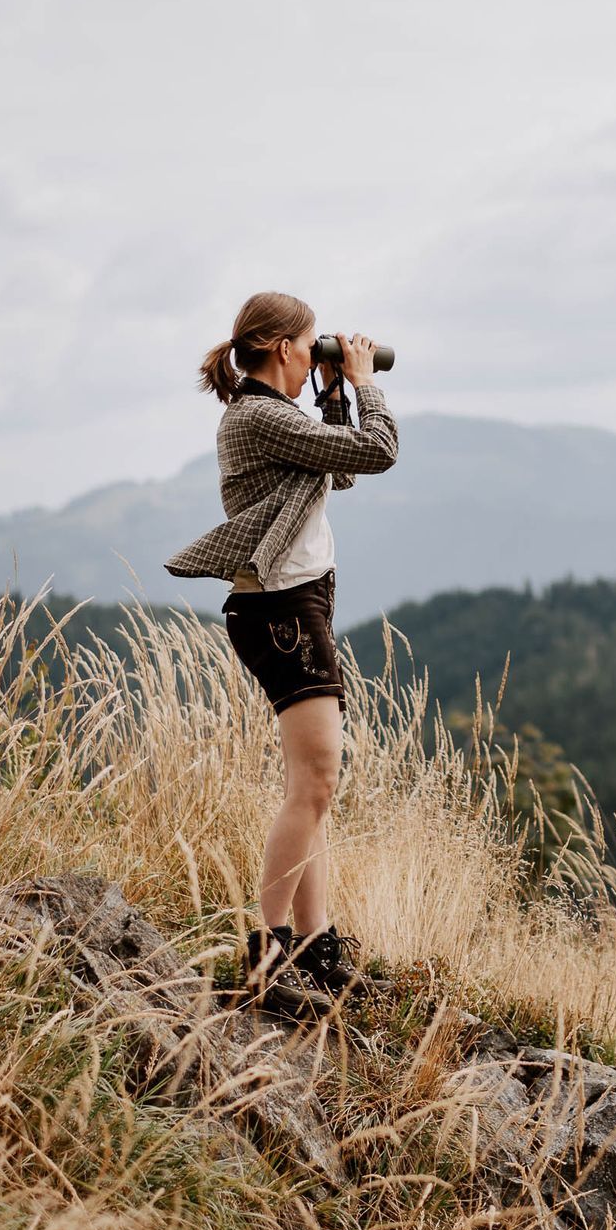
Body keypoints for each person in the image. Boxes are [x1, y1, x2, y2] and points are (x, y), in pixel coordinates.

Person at [165, 290, 399, 1009]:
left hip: (300, 601)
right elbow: (379, 451)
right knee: (316, 780)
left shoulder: (277, 418)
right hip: (280, 610)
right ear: (280, 347)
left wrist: (332, 395)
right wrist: (364, 385)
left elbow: (341, 470)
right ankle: (268, 957)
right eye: (310, 347)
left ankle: (314, 946)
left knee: (315, 785)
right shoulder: (260, 416)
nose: (314, 357)